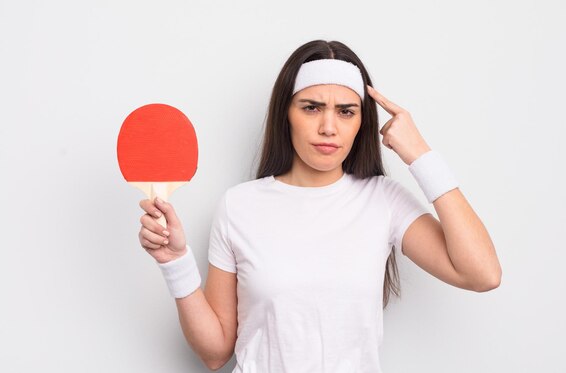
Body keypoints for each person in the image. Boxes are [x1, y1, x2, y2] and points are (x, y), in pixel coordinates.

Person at [137, 39, 502, 372]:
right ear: (287, 114)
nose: (329, 127)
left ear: (362, 121)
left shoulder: (383, 199)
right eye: (311, 108)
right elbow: (215, 352)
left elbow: (482, 274)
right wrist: (175, 263)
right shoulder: (240, 205)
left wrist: (420, 155)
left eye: (346, 112)